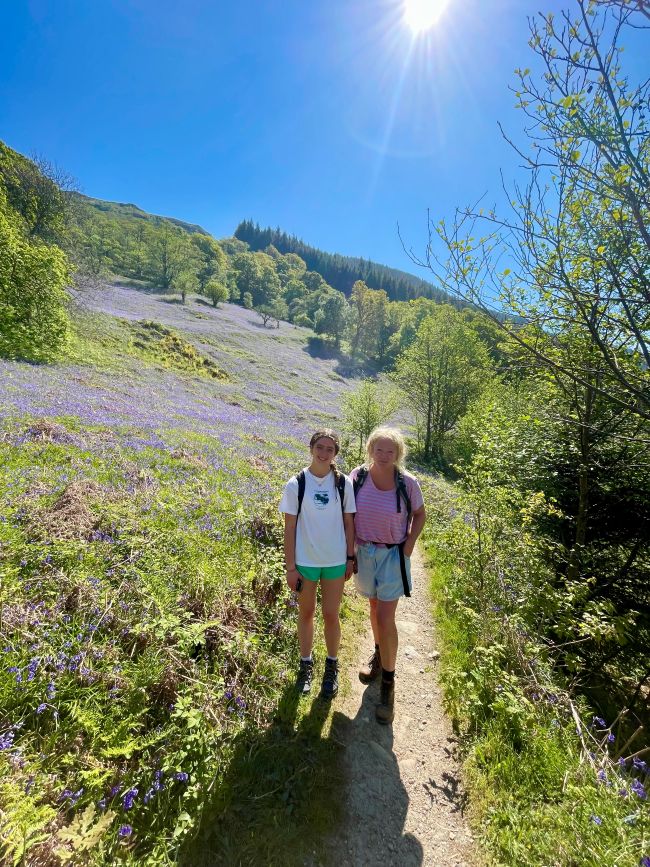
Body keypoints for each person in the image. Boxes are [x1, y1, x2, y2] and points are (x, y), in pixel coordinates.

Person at [351, 427, 426, 724]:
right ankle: (380, 656)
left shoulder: (408, 484)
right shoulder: (358, 477)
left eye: (389, 451)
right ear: (370, 450)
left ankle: (388, 686)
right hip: (365, 554)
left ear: (398, 454)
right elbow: (348, 515)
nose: (383, 456)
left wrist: (408, 546)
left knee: (385, 617)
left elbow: (420, 514)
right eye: (378, 450)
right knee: (372, 607)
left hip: (393, 556)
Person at [279, 429, 356, 699]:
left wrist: (350, 557)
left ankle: (332, 667)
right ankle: (305, 664)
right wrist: (290, 567)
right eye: (320, 447)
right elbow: (289, 529)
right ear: (311, 448)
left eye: (330, 449)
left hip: (335, 561)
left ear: (335, 453)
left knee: (331, 615)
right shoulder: (296, 483)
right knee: (306, 614)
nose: (324, 453)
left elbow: (349, 522)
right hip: (305, 561)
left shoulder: (343, 483)